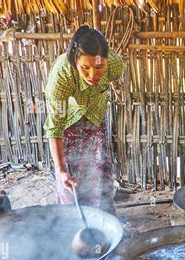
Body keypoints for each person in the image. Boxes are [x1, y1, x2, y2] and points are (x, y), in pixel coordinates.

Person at [44, 25, 125, 215]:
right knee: (72, 176)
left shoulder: (115, 65)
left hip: (96, 118)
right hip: (69, 121)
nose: (92, 75)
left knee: (100, 168)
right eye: (85, 68)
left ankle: (105, 218)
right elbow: (55, 127)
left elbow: (107, 74)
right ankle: (73, 221)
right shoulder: (62, 76)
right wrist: (61, 169)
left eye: (99, 67)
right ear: (75, 60)